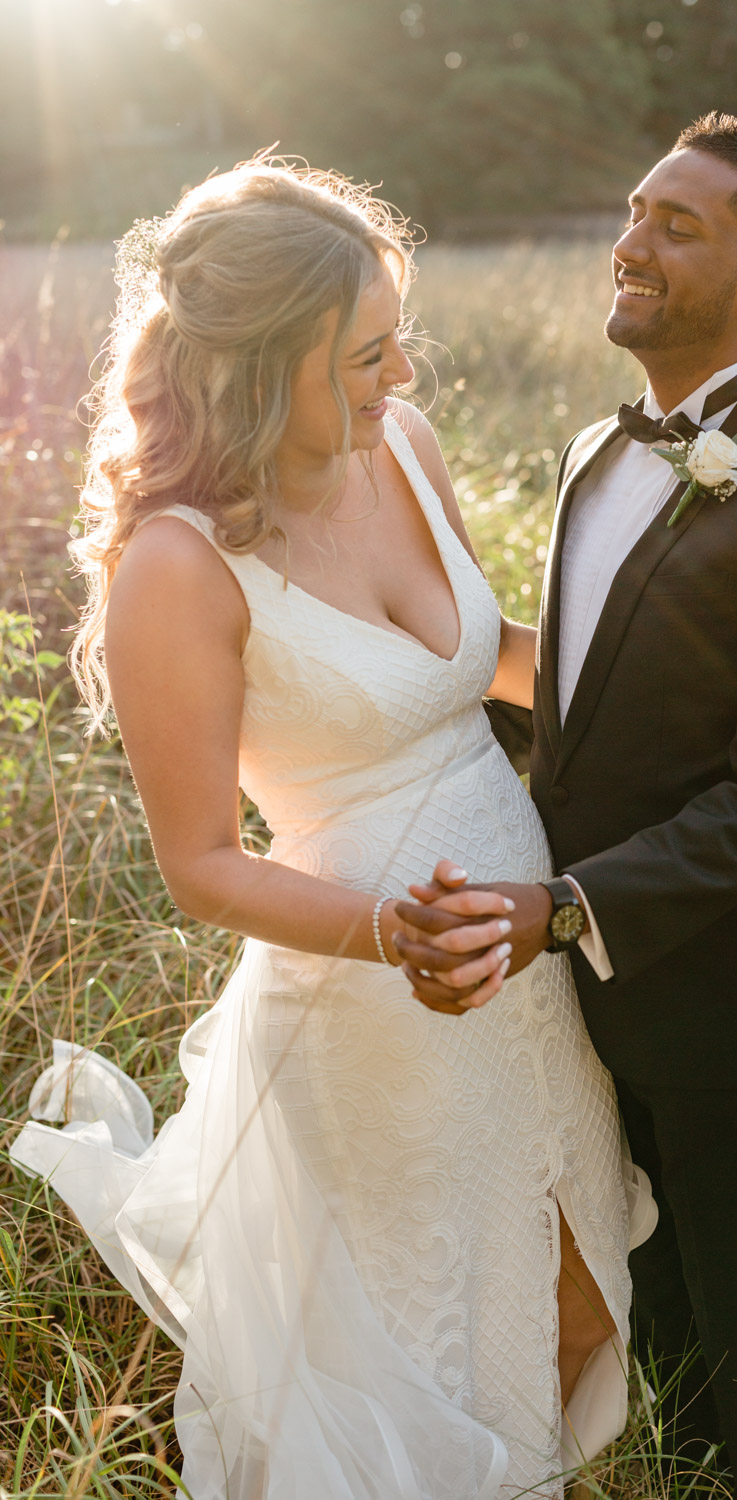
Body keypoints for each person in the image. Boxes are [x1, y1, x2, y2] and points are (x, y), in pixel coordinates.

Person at [10, 160, 655, 1500]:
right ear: (256, 367)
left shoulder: (401, 450)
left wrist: (704, 698)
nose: (401, 378)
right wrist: (395, 932)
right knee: (444, 1361)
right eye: (365, 355)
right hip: (377, 1013)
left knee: (583, 1303)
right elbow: (201, 869)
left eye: (397, 337)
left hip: (525, 967)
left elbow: (484, 661)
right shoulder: (176, 569)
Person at [396, 114, 737, 1498]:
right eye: (634, 211)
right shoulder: (590, 451)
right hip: (586, 997)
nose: (631, 243)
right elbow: (589, 701)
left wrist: (562, 909)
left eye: (679, 226)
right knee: (651, 1337)